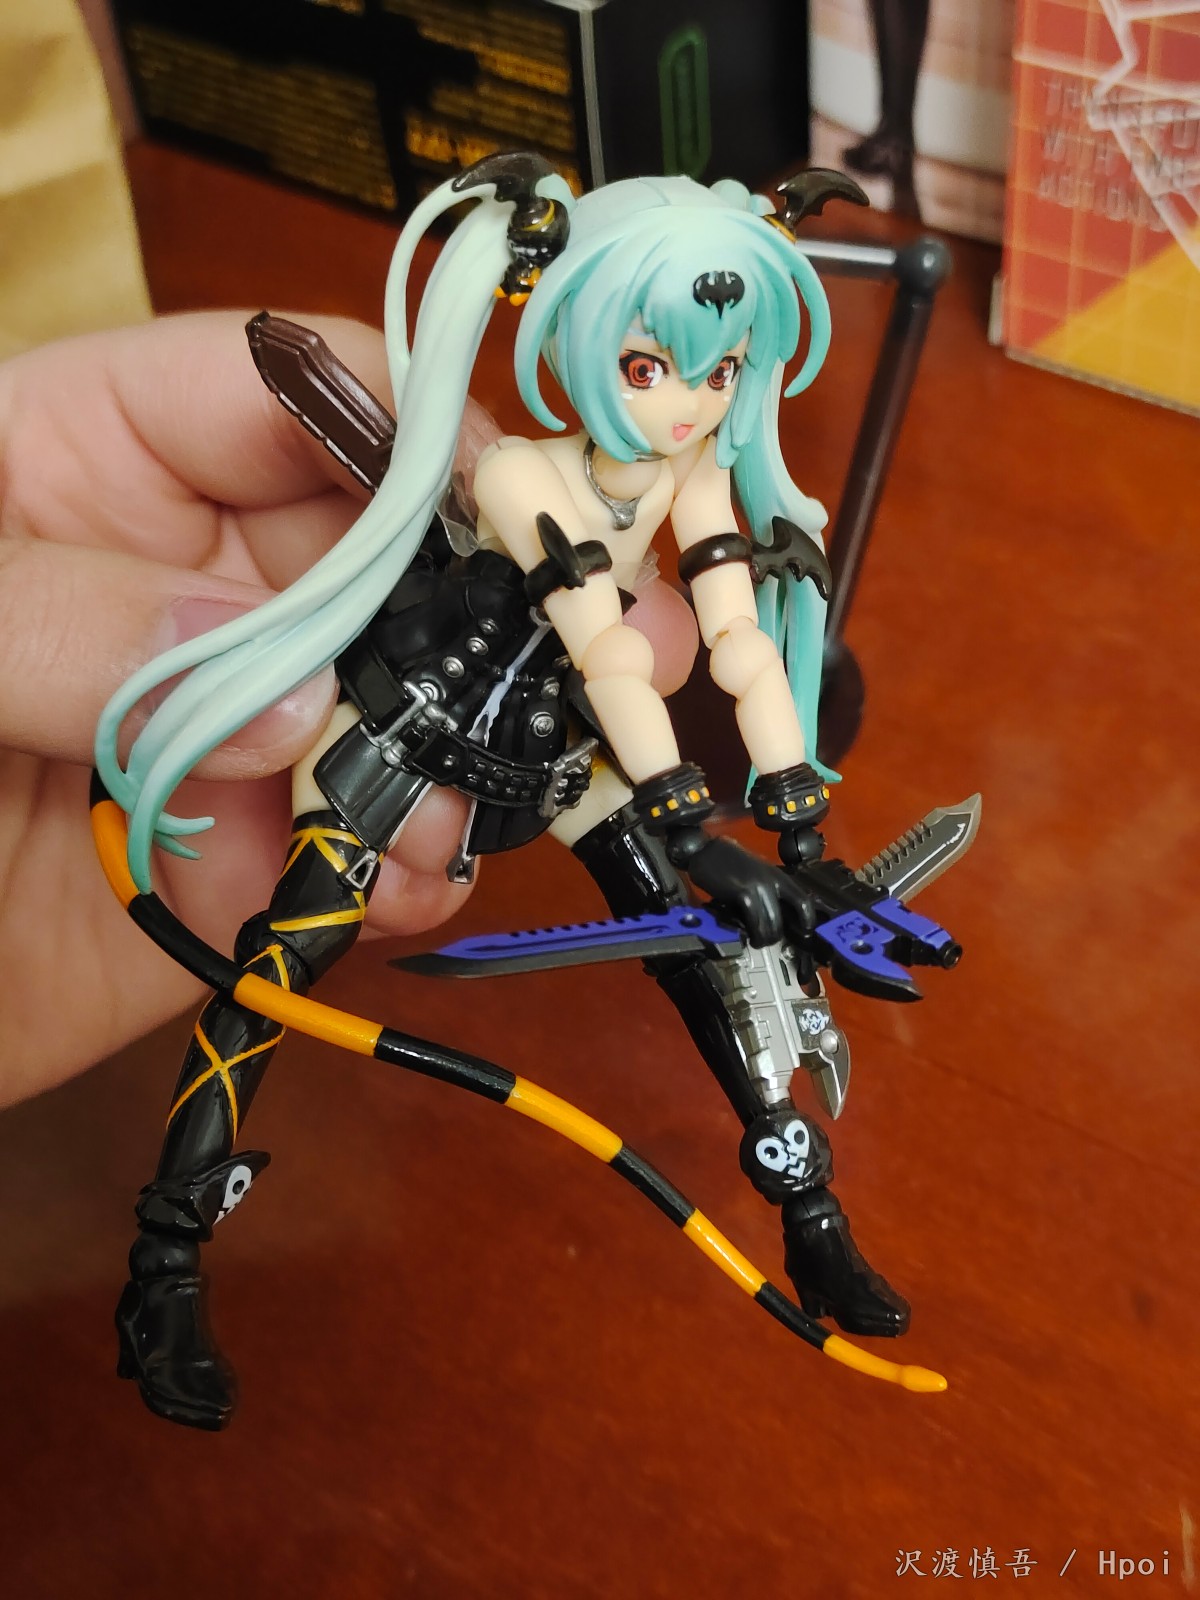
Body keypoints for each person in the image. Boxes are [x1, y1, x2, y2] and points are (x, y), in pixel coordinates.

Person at [94, 154, 911, 1432]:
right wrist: (693, 821)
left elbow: (737, 641)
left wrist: (798, 814)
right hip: (410, 726)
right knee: (278, 966)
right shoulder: (526, 477)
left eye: (720, 373)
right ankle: (166, 1261)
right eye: (651, 366)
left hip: (556, 749)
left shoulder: (694, 474)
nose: (689, 404)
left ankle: (809, 1212)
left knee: (702, 957)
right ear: (584, 342)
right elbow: (607, 646)